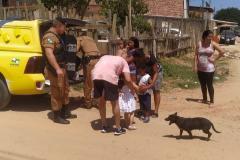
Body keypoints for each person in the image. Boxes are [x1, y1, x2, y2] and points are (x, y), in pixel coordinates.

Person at [92, 55, 138, 135]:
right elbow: (128, 79)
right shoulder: (124, 62)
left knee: (101, 101)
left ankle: (104, 126)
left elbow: (95, 68)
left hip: (96, 75)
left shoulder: (105, 56)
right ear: (127, 58)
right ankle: (118, 128)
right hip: (109, 77)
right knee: (115, 103)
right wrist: (133, 89)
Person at [42, 17, 77, 124]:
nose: (64, 29)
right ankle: (57, 116)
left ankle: (65, 112)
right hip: (54, 69)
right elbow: (49, 53)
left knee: (65, 90)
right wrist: (57, 68)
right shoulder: (49, 36)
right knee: (56, 92)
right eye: (63, 27)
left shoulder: (58, 36)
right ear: (57, 26)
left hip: (62, 68)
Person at [193, 30, 224, 106]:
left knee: (209, 85)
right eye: (209, 36)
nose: (210, 38)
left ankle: (211, 101)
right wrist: (195, 65)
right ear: (204, 36)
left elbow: (222, 52)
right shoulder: (199, 44)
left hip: (209, 69)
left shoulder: (212, 44)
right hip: (200, 68)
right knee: (202, 85)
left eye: (211, 37)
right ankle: (204, 99)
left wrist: (215, 59)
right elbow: (196, 55)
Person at [134, 49, 163, 118]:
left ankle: (155, 111)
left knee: (156, 90)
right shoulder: (137, 59)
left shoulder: (151, 59)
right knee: (141, 89)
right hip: (146, 72)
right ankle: (142, 110)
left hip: (156, 72)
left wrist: (151, 84)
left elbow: (156, 72)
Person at [77, 34, 102, 109]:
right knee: (97, 80)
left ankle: (87, 103)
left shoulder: (79, 39)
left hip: (89, 61)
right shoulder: (91, 39)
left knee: (88, 82)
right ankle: (97, 101)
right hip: (98, 60)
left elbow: (75, 50)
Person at [118, 51, 137, 130]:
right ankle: (130, 124)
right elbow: (132, 81)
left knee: (127, 111)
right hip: (129, 91)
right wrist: (134, 91)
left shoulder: (119, 68)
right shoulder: (131, 66)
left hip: (124, 92)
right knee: (131, 110)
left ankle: (127, 124)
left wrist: (118, 91)